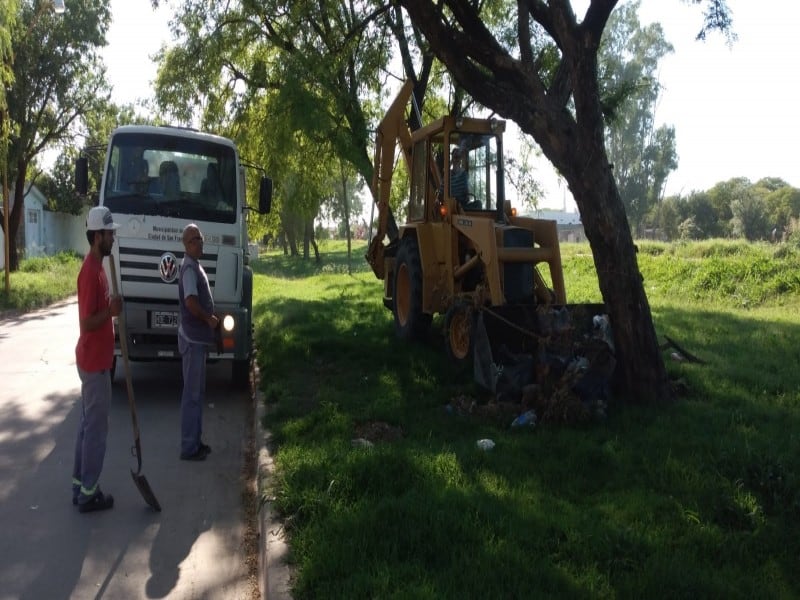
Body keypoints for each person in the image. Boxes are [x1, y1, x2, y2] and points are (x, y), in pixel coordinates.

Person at [72, 206, 121, 513]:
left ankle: (80, 484)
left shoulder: (98, 266)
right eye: (109, 233)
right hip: (93, 363)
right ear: (97, 236)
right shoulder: (90, 272)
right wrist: (112, 312)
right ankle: (89, 492)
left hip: (96, 359)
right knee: (96, 429)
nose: (113, 237)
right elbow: (87, 322)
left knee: (87, 426)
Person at [178, 223, 218, 461]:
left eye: (200, 238)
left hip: (197, 339)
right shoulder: (190, 269)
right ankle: (188, 447)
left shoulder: (194, 265)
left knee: (197, 393)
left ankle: (195, 442)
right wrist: (208, 318)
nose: (199, 242)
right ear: (186, 244)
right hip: (193, 339)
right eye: (194, 239)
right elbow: (191, 302)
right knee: (192, 396)